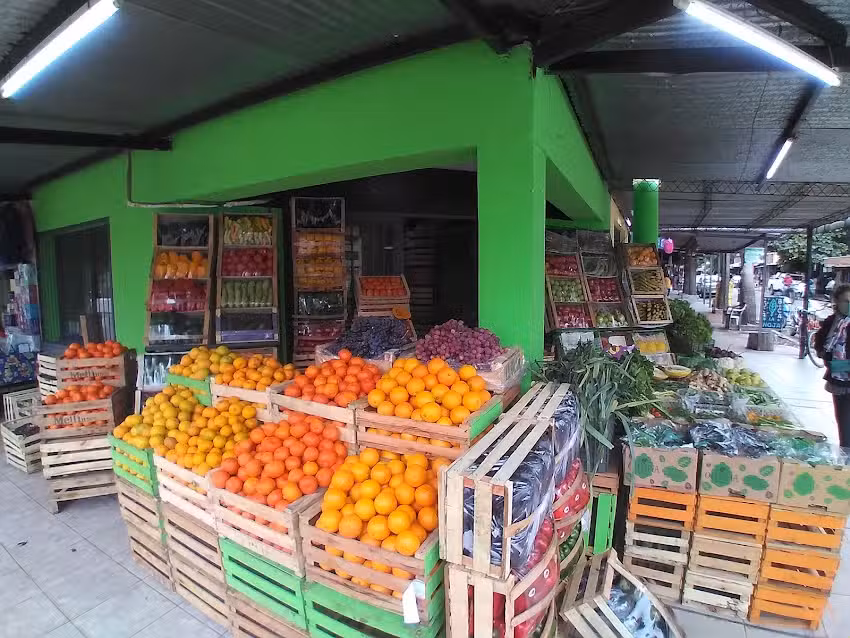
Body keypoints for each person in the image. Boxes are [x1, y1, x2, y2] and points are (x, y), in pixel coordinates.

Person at [814, 283, 850, 446]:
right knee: (843, 423)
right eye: (846, 301)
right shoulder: (831, 322)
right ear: (837, 302)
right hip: (838, 381)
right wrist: (825, 355)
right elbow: (820, 344)